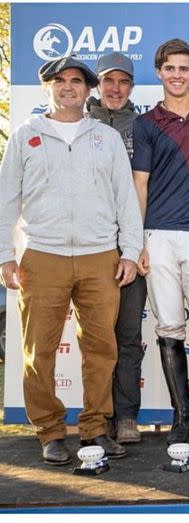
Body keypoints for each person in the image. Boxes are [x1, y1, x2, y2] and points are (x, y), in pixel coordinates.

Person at [0, 56, 142, 465]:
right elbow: (7, 198)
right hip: (42, 256)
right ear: (48, 88)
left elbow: (125, 200)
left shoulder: (106, 138)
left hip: (101, 256)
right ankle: (50, 430)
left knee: (101, 348)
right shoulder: (26, 134)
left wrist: (130, 251)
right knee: (37, 350)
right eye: (59, 81)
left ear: (88, 90)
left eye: (76, 81)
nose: (68, 87)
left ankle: (96, 427)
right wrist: (5, 255)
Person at [132, 39, 189, 446]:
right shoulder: (147, 123)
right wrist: (138, 242)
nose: (177, 75)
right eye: (169, 68)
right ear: (159, 72)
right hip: (159, 235)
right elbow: (140, 183)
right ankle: (181, 415)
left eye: (184, 68)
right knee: (169, 326)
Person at [86, 51, 147, 445]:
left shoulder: (143, 125)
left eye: (123, 82)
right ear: (97, 83)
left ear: (131, 87)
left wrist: (136, 244)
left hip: (130, 245)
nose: (116, 89)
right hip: (89, 246)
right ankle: (98, 417)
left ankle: (125, 417)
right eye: (109, 80)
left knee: (127, 335)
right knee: (96, 338)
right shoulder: (78, 122)